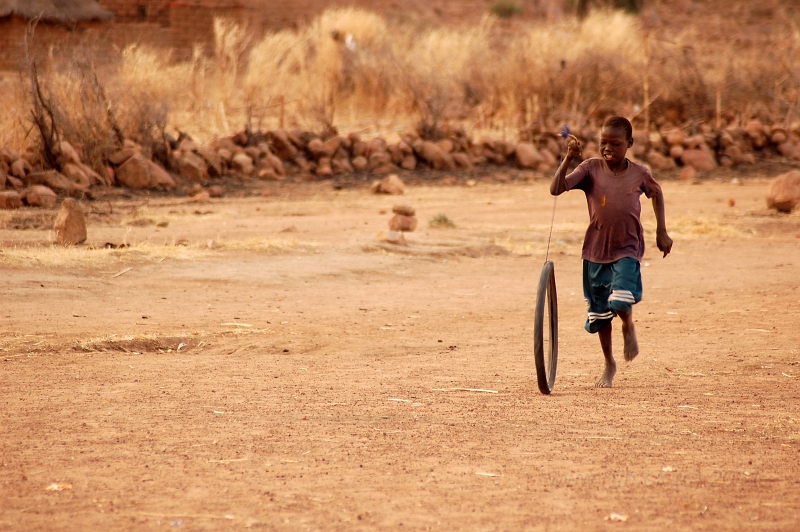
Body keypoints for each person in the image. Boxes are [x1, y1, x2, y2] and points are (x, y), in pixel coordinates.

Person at [550, 116, 673, 388]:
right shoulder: (590, 168)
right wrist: (568, 158)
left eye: (615, 144)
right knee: (600, 314)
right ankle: (609, 362)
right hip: (595, 250)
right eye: (603, 142)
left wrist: (661, 231)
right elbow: (556, 189)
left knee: (619, 300)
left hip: (627, 247)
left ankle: (628, 325)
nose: (608, 148)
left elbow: (657, 193)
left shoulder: (639, 173)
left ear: (629, 144)